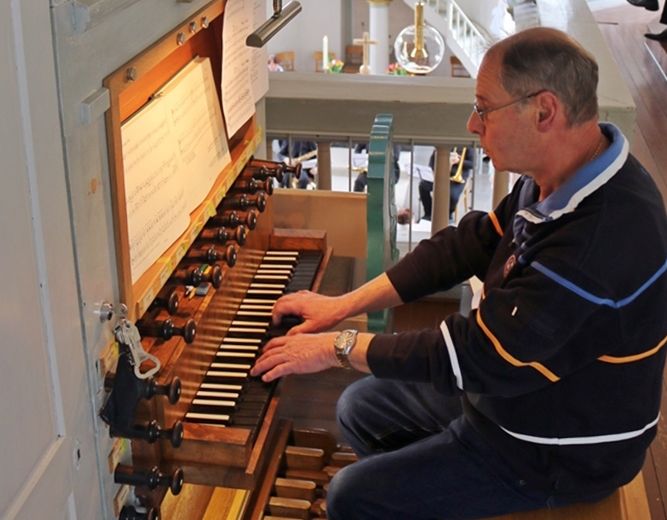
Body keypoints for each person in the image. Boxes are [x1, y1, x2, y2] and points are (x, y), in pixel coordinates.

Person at [251, 27, 667, 519]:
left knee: (349, 496)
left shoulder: (598, 240)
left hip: (556, 449)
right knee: (358, 409)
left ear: (544, 111)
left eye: (483, 107)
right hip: (514, 396)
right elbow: (465, 246)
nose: (472, 123)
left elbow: (475, 356)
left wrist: (334, 347)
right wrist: (342, 307)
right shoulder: (567, 174)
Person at [419, 147, 474, 221]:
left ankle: (448, 213)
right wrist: (432, 171)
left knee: (453, 195)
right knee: (423, 186)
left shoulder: (468, 146)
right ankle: (429, 213)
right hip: (441, 173)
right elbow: (433, 158)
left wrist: (459, 161)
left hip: (457, 177)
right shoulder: (444, 141)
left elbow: (473, 164)